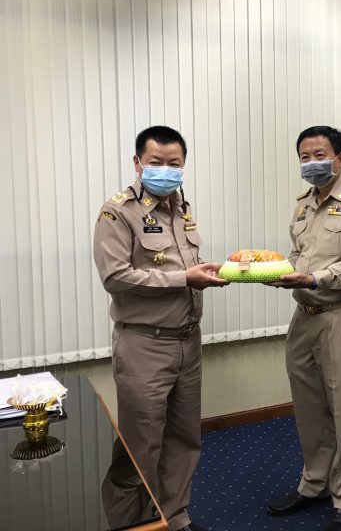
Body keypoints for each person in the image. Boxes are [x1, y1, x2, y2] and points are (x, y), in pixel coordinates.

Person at [93, 125, 229, 531]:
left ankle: (175, 517)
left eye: (175, 163)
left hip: (188, 341)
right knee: (139, 447)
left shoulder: (181, 207)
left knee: (184, 437)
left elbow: (180, 265)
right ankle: (133, 524)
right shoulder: (117, 212)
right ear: (138, 163)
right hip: (144, 344)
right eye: (156, 162)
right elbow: (116, 276)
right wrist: (185, 278)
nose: (166, 170)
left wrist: (206, 272)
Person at [266, 126, 341, 531]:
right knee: (309, 408)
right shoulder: (303, 204)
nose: (311, 163)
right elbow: (298, 253)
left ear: (339, 157)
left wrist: (315, 279)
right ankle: (315, 483)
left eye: (319, 154)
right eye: (304, 156)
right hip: (303, 317)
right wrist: (278, 271)